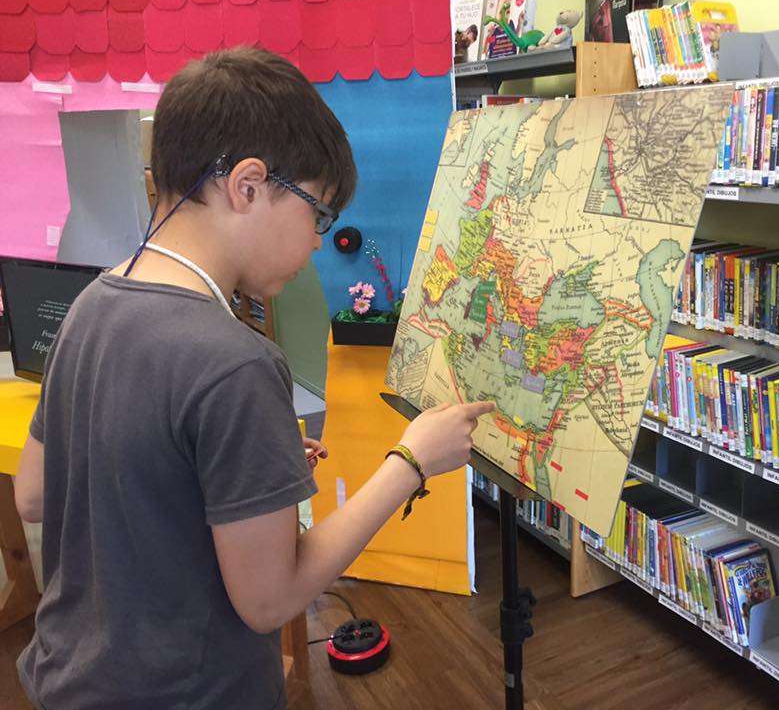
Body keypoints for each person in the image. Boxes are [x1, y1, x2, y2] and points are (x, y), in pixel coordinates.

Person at [13, 47, 494, 710]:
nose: (319, 242)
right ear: (247, 186)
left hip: (69, 680)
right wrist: (411, 462)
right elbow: (270, 600)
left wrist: (213, 477)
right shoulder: (236, 362)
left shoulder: (93, 301)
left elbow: (37, 494)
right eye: (317, 214)